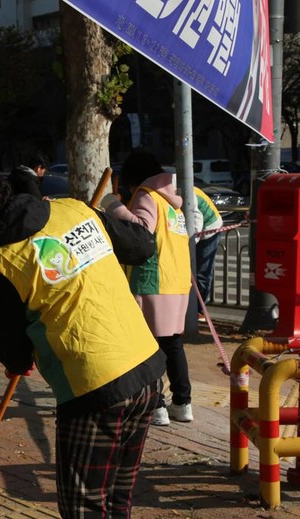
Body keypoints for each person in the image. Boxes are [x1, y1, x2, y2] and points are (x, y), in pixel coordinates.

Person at [0, 163, 165, 518]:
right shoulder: (73, 209)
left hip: (95, 387)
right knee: (117, 498)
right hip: (147, 369)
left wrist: (17, 362)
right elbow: (142, 247)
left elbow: (11, 346)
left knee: (84, 507)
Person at [101, 149, 193, 427]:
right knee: (173, 345)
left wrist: (112, 207)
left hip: (151, 280)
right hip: (176, 281)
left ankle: (157, 405)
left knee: (147, 346)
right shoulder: (171, 201)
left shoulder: (146, 195)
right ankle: (183, 403)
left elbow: (141, 230)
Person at [193, 186, 223, 322]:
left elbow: (196, 221)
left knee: (202, 271)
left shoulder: (186, 192)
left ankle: (199, 310)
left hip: (210, 228)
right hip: (197, 230)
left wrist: (188, 244)